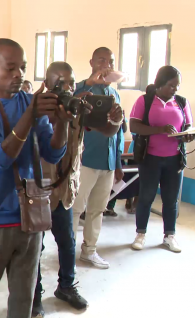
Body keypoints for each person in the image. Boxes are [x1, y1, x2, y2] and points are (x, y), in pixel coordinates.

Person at [0, 38, 70, 318]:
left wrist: (63, 122)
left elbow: (53, 153)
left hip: (29, 214)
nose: (18, 75)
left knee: (23, 297)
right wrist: (30, 116)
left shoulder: (29, 102)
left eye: (21, 68)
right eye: (9, 68)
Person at [32, 62, 91, 317]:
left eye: (72, 82)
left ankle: (66, 286)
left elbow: (106, 128)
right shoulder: (35, 111)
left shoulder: (75, 110)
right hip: (38, 192)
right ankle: (34, 296)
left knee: (67, 243)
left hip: (64, 192)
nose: (68, 88)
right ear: (48, 84)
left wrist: (110, 118)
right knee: (36, 247)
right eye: (62, 82)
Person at [129, 66, 194, 253]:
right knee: (146, 196)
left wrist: (188, 135)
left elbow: (187, 126)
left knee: (170, 199)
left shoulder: (181, 102)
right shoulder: (145, 101)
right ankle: (140, 234)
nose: (175, 89)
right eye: (171, 85)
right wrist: (160, 130)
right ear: (160, 83)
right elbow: (134, 125)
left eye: (177, 86)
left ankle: (169, 235)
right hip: (150, 158)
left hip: (174, 159)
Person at [72, 47, 124, 269]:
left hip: (108, 161)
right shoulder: (83, 90)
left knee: (97, 209)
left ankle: (89, 251)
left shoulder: (115, 94)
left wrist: (119, 161)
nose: (106, 65)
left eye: (110, 61)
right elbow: (69, 105)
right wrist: (88, 84)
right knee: (75, 208)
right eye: (102, 60)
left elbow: (119, 130)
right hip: (86, 159)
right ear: (91, 62)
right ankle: (68, 250)